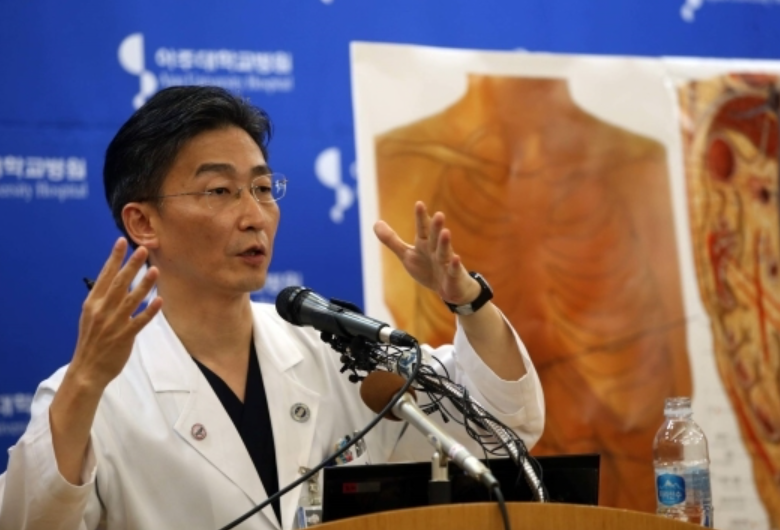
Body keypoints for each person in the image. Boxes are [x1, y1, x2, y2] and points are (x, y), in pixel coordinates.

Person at [0, 86, 544, 530]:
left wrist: (469, 302)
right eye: (220, 191)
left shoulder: (333, 351)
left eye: (262, 188)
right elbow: (30, 521)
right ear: (142, 222)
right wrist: (86, 384)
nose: (255, 215)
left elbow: (503, 428)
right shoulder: (90, 394)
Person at [374, 74, 691, 512]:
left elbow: (671, 361)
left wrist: (470, 300)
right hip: (475, 503)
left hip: (616, 481)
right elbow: (472, 412)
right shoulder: (406, 155)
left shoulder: (636, 160)